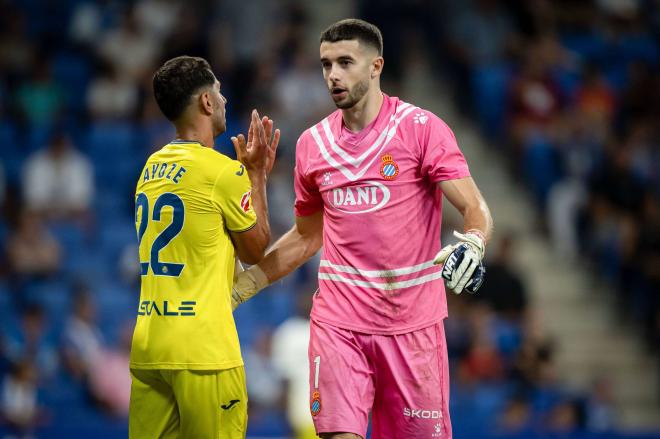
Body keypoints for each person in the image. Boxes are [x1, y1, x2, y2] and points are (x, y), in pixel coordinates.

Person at [232, 19, 493, 439]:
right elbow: (306, 234)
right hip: (339, 324)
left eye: (345, 62)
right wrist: (246, 284)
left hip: (413, 328)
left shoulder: (421, 129)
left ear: (376, 66)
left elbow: (475, 207)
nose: (332, 75)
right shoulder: (311, 145)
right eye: (325, 64)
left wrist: (475, 241)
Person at [128, 55, 279, 438]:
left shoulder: (149, 169)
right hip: (203, 351)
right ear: (207, 103)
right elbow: (255, 250)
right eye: (220, 91)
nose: (225, 99)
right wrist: (256, 175)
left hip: (150, 346)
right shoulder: (221, 171)